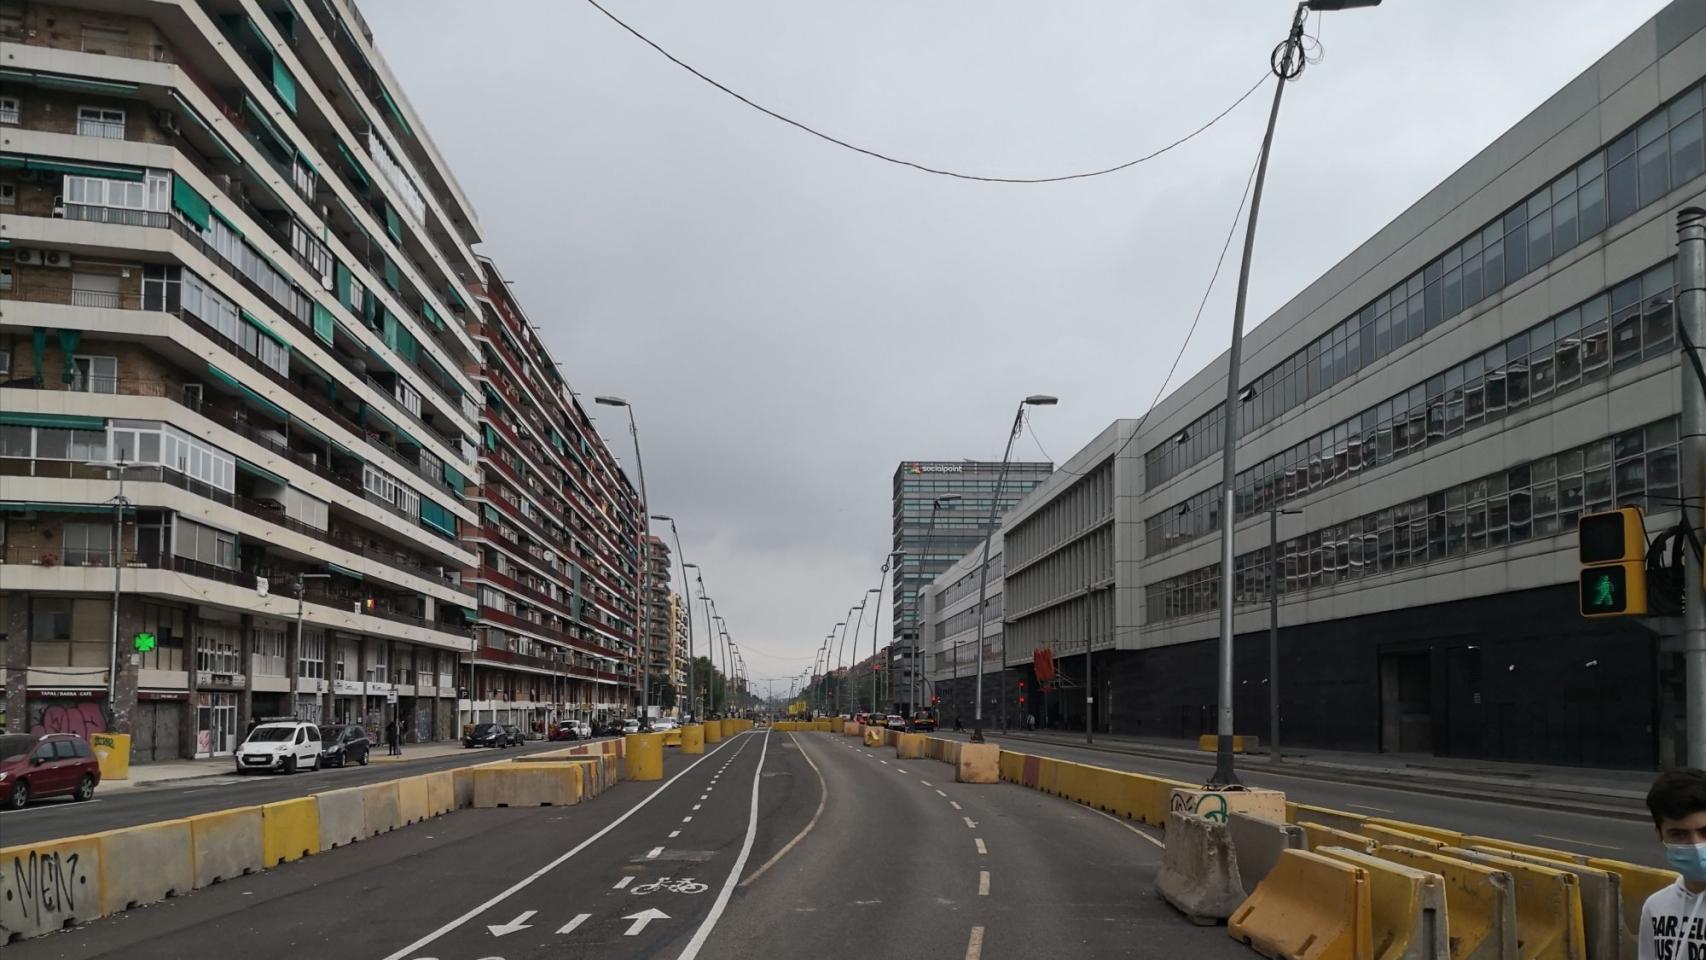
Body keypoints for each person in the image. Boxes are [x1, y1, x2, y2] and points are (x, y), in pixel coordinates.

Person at [1640, 767, 1706, 960]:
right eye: (1679, 834)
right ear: (1660, 834)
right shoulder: (1655, 906)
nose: (1695, 845)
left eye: (1705, 832)